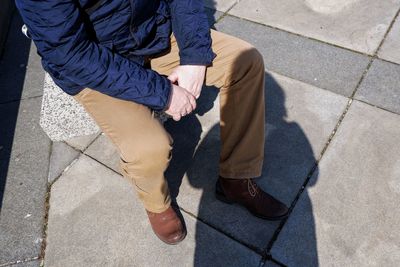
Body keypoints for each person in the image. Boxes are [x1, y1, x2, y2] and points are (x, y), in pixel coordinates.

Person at [16, 0, 289, 245]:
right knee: (149, 148)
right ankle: (157, 204)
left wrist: (194, 56)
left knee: (246, 62)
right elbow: (70, 53)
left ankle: (237, 178)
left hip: (152, 34)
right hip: (96, 64)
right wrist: (165, 93)